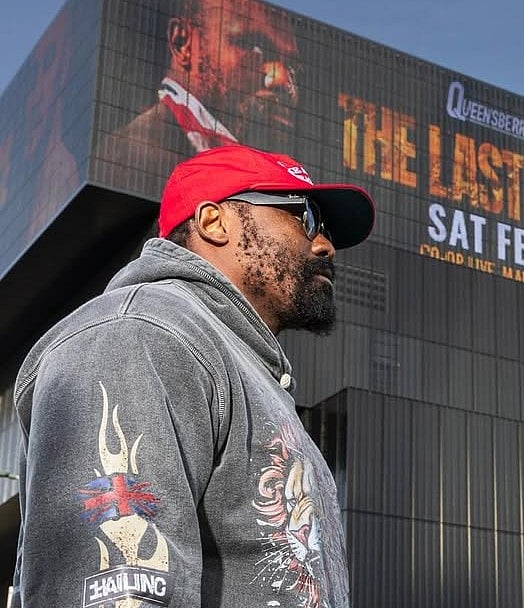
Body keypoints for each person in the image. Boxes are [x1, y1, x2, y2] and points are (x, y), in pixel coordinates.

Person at [11, 144, 376, 607]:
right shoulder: (142, 334)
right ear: (213, 222)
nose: (325, 244)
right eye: (304, 217)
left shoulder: (248, 374)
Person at [97, 0, 300, 176]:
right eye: (251, 45)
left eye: (292, 67)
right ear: (181, 42)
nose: (280, 78)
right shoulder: (133, 151)